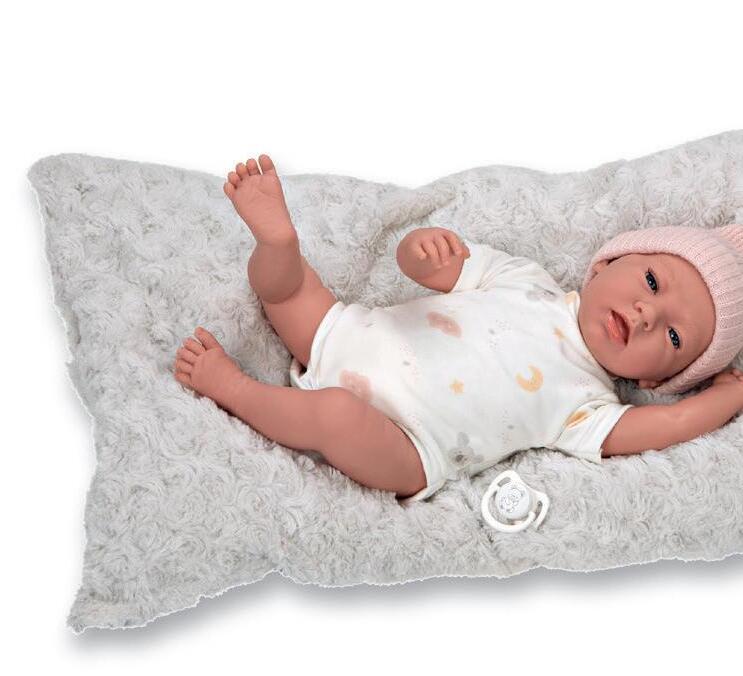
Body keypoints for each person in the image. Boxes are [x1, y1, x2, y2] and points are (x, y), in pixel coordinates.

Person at [173, 154, 743, 504]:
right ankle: (277, 242)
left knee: (335, 415)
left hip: (406, 446)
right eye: (652, 281)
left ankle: (236, 390)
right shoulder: (526, 279)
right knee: (290, 288)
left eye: (674, 338)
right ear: (606, 264)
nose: (647, 314)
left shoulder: (588, 408)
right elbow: (430, 269)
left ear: (660, 381)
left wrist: (729, 396)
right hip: (354, 335)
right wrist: (421, 250)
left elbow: (672, 424)